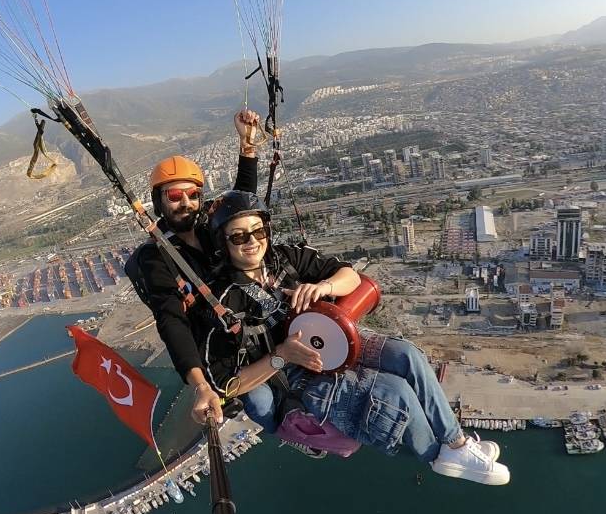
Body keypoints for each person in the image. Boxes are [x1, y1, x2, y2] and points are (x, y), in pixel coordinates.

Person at [187, 190, 511, 485]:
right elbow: (227, 385)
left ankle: (455, 443)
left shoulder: (285, 258)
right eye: (239, 236)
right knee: (394, 392)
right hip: (298, 377)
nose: (252, 242)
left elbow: (350, 276)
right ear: (223, 242)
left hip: (334, 341)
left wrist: (322, 287)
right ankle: (437, 457)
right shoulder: (222, 303)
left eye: (258, 232)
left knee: (407, 355)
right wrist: (281, 356)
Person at [131, 110, 264, 428]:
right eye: (174, 196)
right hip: (216, 347)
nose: (185, 202)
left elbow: (242, 200)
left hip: (251, 321)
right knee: (261, 402)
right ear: (159, 201)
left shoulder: (212, 226)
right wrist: (200, 385)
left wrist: (247, 147)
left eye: (193, 195)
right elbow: (170, 320)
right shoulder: (157, 257)